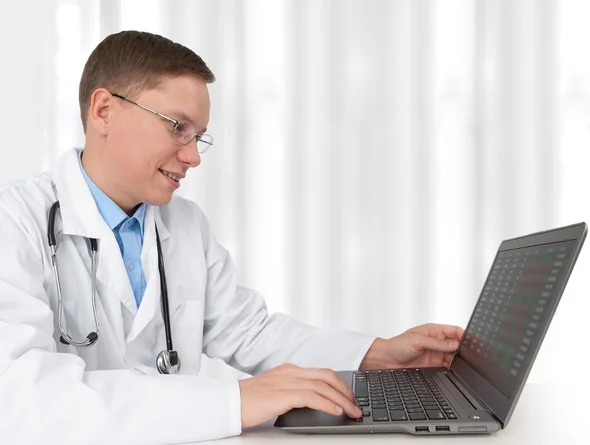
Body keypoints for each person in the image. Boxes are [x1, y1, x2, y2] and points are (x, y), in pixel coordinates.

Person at [0, 31, 463, 444]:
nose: (193, 157)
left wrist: (377, 353)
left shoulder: (184, 225)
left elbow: (248, 331)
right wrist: (234, 402)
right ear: (104, 110)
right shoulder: (14, 221)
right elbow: (21, 396)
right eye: (177, 126)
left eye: (199, 136)